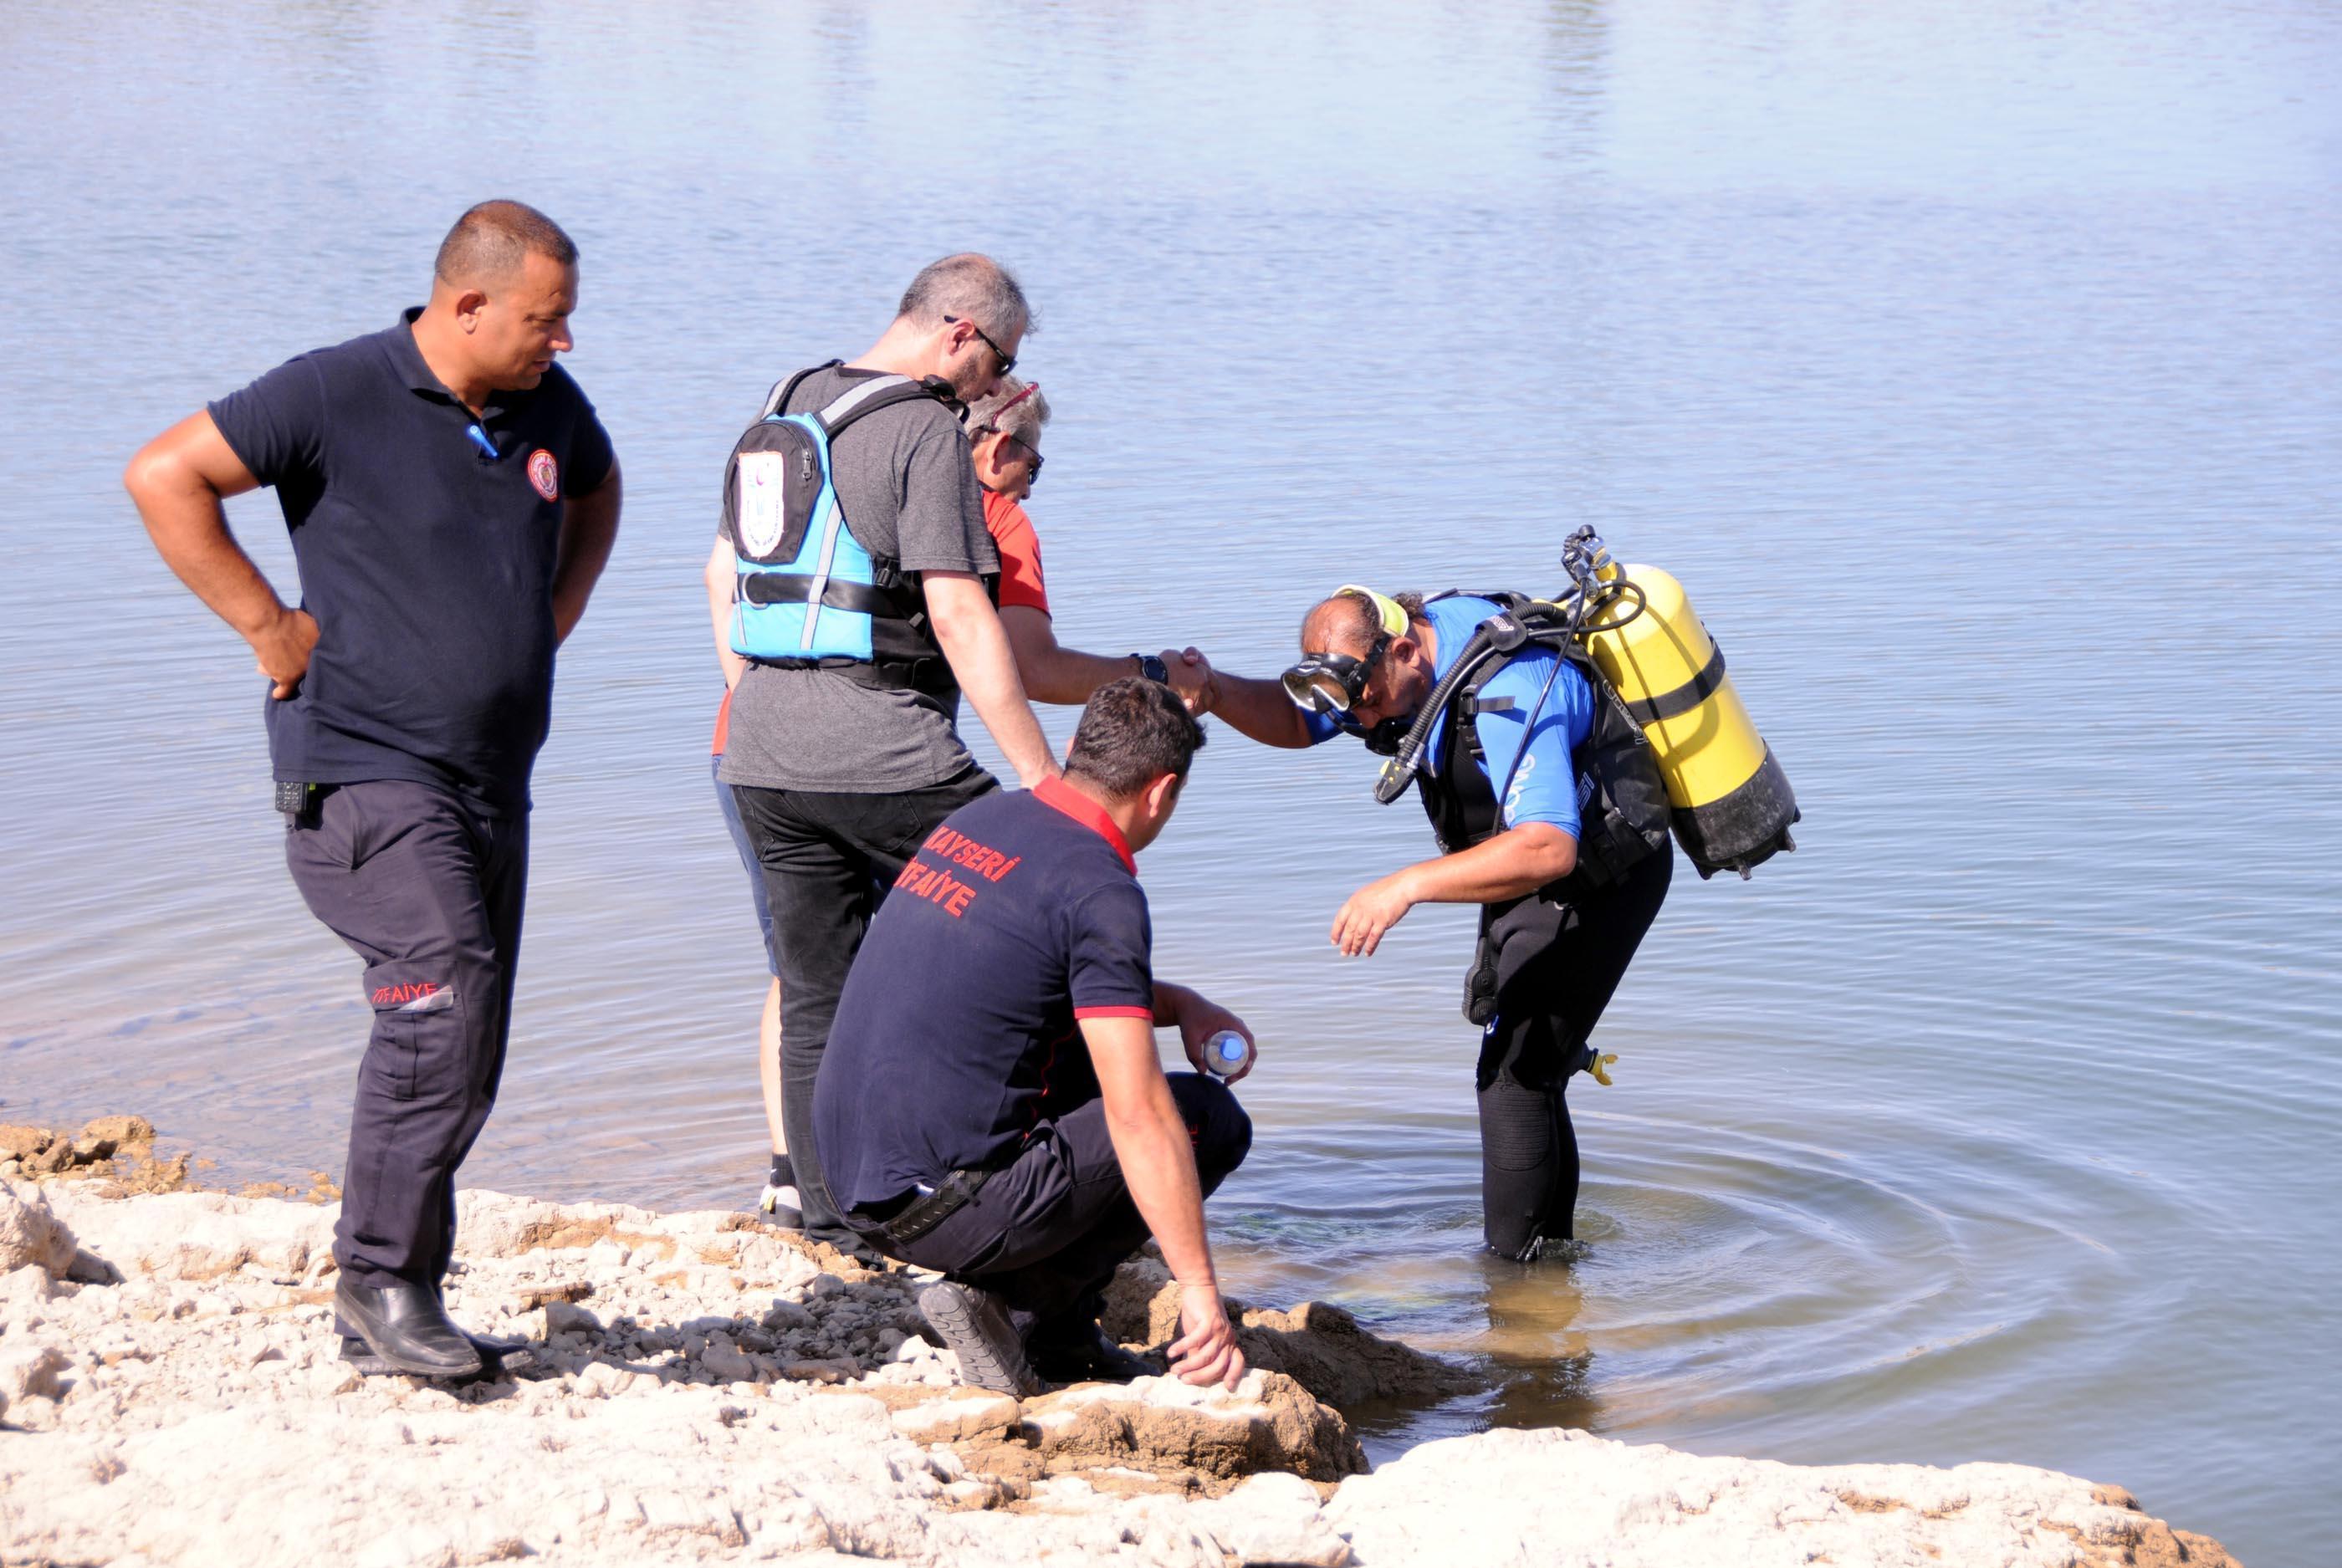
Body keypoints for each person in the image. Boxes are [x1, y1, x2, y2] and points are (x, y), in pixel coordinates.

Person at [122, 201, 622, 1375]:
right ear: (467, 305)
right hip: (359, 768)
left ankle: (410, 1282)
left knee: (472, 1036)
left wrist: (554, 615)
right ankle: (380, 1282)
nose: (562, 342)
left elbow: (598, 494)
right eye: (546, 320)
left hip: (494, 778)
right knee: (437, 1000)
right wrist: (267, 625)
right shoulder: (334, 391)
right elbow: (163, 474)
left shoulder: (548, 406)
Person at [712, 254, 1060, 1251]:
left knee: (818, 990)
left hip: (763, 755)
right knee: (1026, 920)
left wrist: (759, 704)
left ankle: (830, 1218)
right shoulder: (922, 429)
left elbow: (724, 575)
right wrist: (1038, 780)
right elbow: (955, 613)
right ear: (958, 331)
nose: (993, 391)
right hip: (887, 751)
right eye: (997, 364)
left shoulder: (782, 404)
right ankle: (1008, 1180)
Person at [1192, 587, 1671, 1261]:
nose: (1361, 718)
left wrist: (1405, 885)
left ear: (1406, 650)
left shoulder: (1510, 690)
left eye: (1366, 702)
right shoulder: (1392, 667)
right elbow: (1302, 721)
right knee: (1533, 1068)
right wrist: (1211, 690)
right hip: (1535, 867)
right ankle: (1552, 1265)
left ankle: (1518, 1291)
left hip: (1597, 876)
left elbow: (1548, 845)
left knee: (1512, 1079)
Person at [816, 678, 1252, 1393]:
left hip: (845, 1173)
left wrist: (1182, 1005)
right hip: (939, 1209)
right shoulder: (1103, 890)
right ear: (1162, 792)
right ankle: (1024, 1318)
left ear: (1078, 748)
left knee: (1089, 1050)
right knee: (1204, 1120)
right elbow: (1139, 1115)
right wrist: (1200, 1289)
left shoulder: (982, 820)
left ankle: (1049, 1322)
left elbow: (1031, 974)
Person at [960, 376, 1210, 710]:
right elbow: (1035, 671)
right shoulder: (1002, 522)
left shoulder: (888, 484)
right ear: (999, 449)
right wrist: (1157, 674)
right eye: (1031, 468)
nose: (1028, 491)